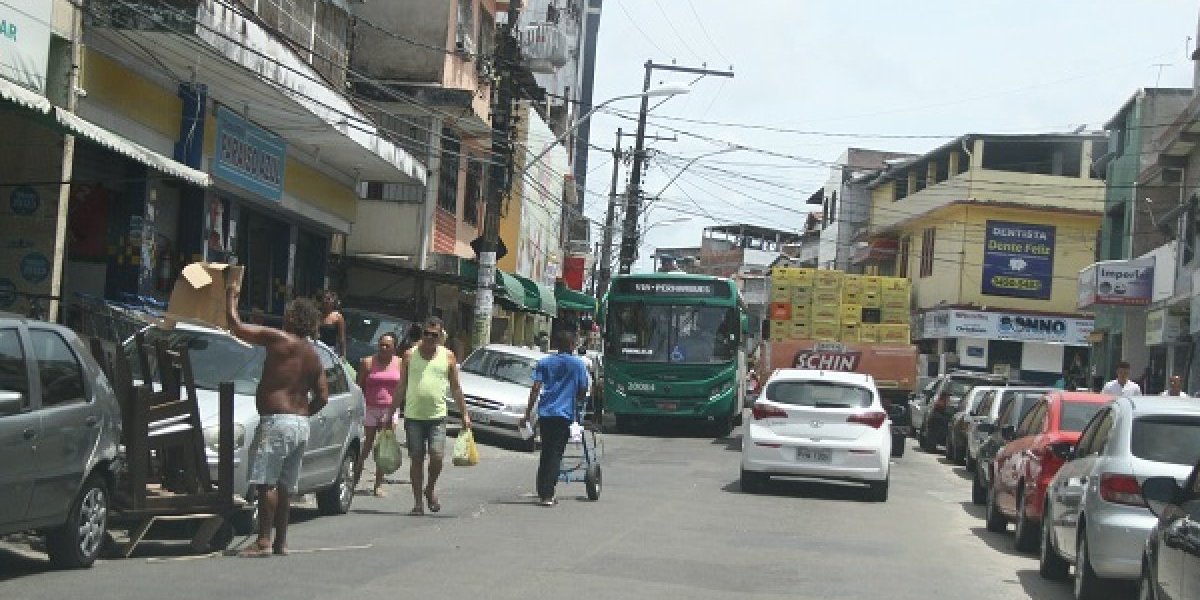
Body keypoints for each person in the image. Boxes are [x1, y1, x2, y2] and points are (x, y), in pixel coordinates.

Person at [226, 283, 328, 557]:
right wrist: (303, 414)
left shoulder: (280, 340)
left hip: (277, 421)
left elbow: (236, 326)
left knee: (266, 483)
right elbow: (322, 396)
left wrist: (231, 297)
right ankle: (281, 541)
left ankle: (263, 541)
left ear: (292, 318)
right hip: (300, 423)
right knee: (285, 487)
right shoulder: (314, 356)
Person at [394, 316, 471, 515]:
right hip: (413, 417)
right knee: (417, 459)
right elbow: (401, 385)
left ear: (440, 335)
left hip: (437, 416)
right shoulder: (410, 355)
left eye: (433, 335)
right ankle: (418, 503)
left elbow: (455, 388)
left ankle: (429, 488)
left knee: (437, 457)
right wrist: (391, 411)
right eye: (426, 333)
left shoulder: (448, 357)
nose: (429, 338)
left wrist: (465, 414)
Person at [519, 329, 590, 507]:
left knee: (546, 451)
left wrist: (527, 414)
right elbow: (583, 390)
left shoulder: (545, 362)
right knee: (556, 454)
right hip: (564, 414)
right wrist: (576, 397)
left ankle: (543, 489)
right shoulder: (578, 365)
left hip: (546, 413)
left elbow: (535, 388)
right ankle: (548, 494)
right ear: (572, 345)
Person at [354, 332, 402, 496]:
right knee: (366, 446)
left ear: (394, 348)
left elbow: (403, 387)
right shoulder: (368, 362)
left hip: (390, 409)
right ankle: (353, 480)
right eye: (381, 344)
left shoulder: (400, 364)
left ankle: (378, 484)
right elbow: (358, 386)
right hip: (370, 408)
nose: (383, 348)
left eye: (387, 346)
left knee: (383, 448)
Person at [317, 290, 347, 358]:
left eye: (328, 299)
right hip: (317, 349)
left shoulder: (338, 317)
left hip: (329, 350)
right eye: (324, 298)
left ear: (334, 301)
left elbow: (341, 338)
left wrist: (343, 354)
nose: (325, 301)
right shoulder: (318, 315)